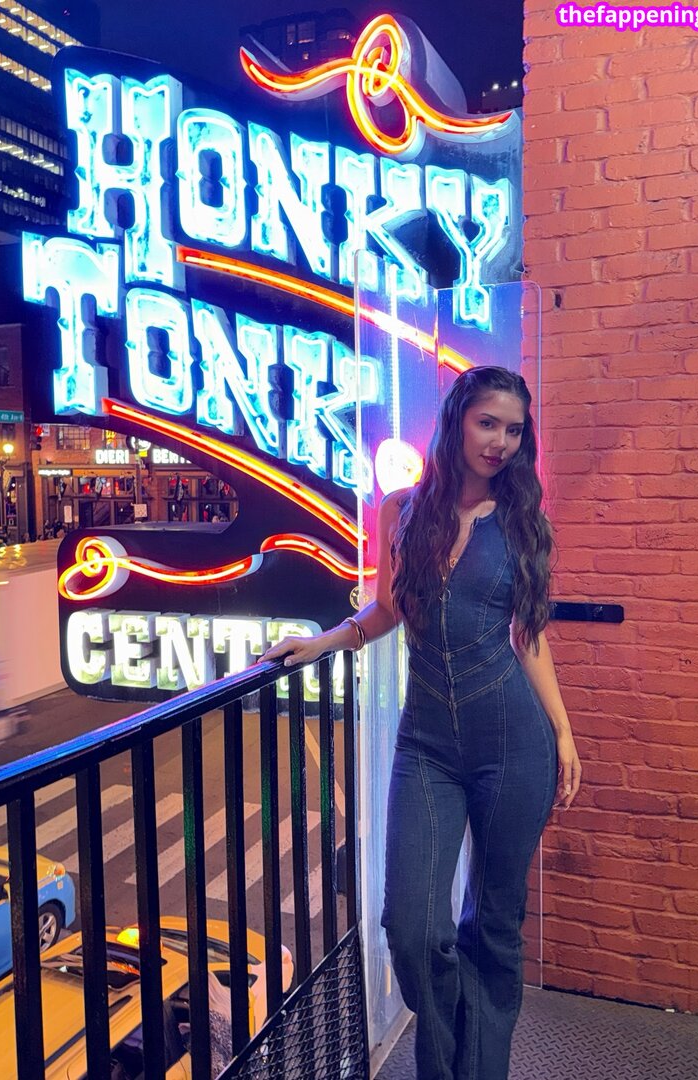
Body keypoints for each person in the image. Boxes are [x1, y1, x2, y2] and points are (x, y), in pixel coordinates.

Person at [259, 366, 581, 1079]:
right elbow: (386, 609)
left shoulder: (524, 520)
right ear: (457, 420)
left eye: (514, 430)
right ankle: (444, 1062)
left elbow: (529, 633)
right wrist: (322, 642)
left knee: (493, 927)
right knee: (412, 927)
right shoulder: (402, 510)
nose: (499, 442)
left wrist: (562, 731)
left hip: (513, 743)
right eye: (487, 423)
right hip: (426, 745)